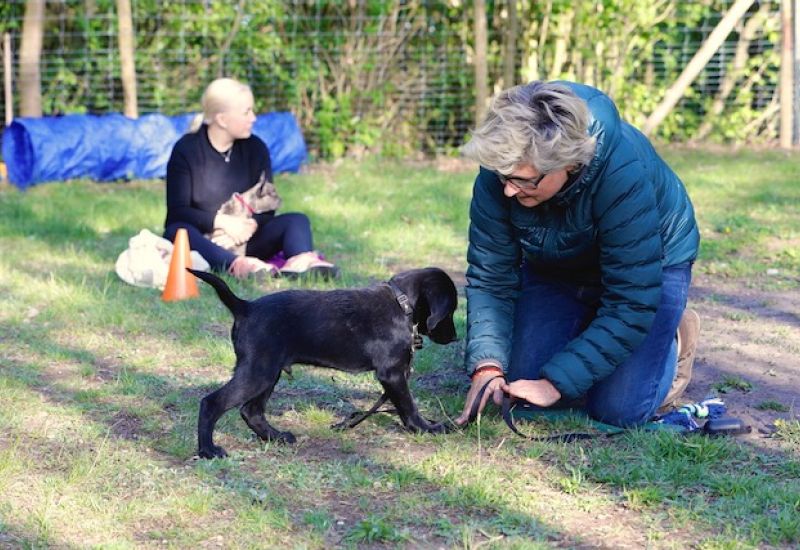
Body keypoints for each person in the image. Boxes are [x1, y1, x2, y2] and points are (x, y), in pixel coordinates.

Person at [455, 81, 700, 429]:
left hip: (650, 268)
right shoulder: (505, 168)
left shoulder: (621, 174)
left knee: (619, 410)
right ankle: (587, 326)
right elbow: (490, 275)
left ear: (566, 164)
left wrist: (555, 384)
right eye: (504, 177)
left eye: (523, 181)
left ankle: (672, 336)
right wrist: (488, 364)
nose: (508, 190)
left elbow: (631, 301)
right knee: (522, 388)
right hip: (560, 265)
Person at [164, 77, 338, 279]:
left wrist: (250, 226)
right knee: (177, 231)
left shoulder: (256, 148)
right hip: (206, 241)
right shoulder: (187, 150)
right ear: (222, 119)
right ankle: (239, 266)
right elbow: (178, 213)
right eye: (246, 112)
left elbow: (267, 206)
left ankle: (302, 263)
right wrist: (223, 223)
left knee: (297, 220)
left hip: (247, 237)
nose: (253, 118)